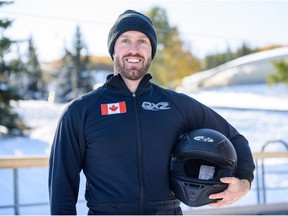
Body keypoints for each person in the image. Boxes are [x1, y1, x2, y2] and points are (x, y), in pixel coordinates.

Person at [48, 9, 255, 215]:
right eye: (125, 41)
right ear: (113, 49)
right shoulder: (81, 111)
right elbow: (61, 190)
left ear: (151, 52)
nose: (134, 49)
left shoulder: (177, 105)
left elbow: (234, 138)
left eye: (142, 41)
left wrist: (244, 182)